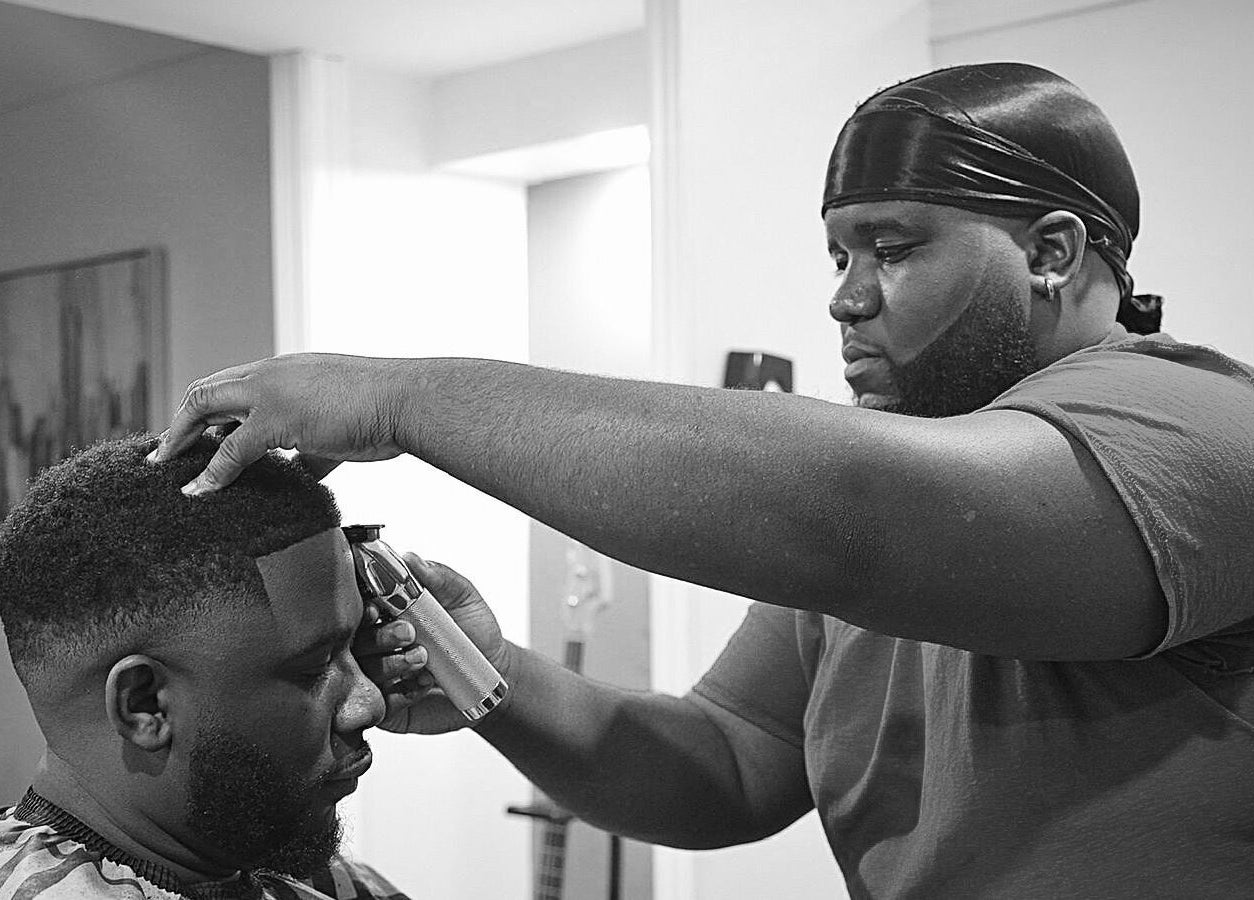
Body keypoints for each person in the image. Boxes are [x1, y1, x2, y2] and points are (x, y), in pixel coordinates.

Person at [151, 62, 1254, 896]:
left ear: (1053, 253)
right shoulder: (912, 492)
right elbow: (724, 765)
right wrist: (493, 678)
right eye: (839, 256)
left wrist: (400, 397)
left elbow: (848, 514)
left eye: (896, 247)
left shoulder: (1199, 429)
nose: (846, 298)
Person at [0, 435, 413, 900]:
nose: (369, 703)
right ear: (144, 704)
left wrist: (489, 678)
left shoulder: (316, 881)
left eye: (353, 646)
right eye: (315, 668)